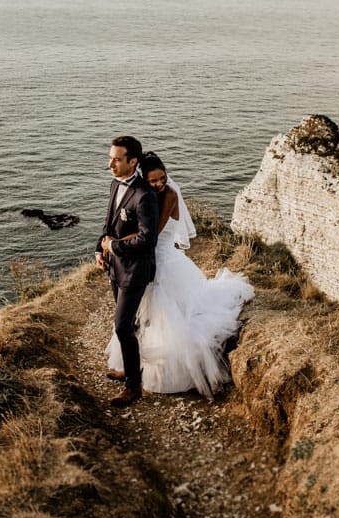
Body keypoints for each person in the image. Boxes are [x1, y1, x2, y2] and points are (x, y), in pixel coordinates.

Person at [106, 152, 253, 397]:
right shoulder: (145, 197)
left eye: (162, 178)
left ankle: (161, 374)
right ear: (144, 179)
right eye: (153, 181)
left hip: (164, 263)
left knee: (167, 321)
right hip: (143, 262)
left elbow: (152, 234)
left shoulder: (169, 196)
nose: (159, 184)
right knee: (140, 320)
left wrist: (115, 242)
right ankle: (133, 370)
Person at [94, 135, 159, 407]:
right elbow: (109, 223)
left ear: (133, 162)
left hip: (135, 270)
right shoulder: (114, 184)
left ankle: (134, 387)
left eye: (117, 159)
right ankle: (130, 370)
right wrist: (100, 248)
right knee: (128, 325)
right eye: (110, 158)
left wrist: (115, 246)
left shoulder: (144, 195)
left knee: (121, 326)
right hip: (115, 267)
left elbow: (148, 239)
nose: (110, 164)